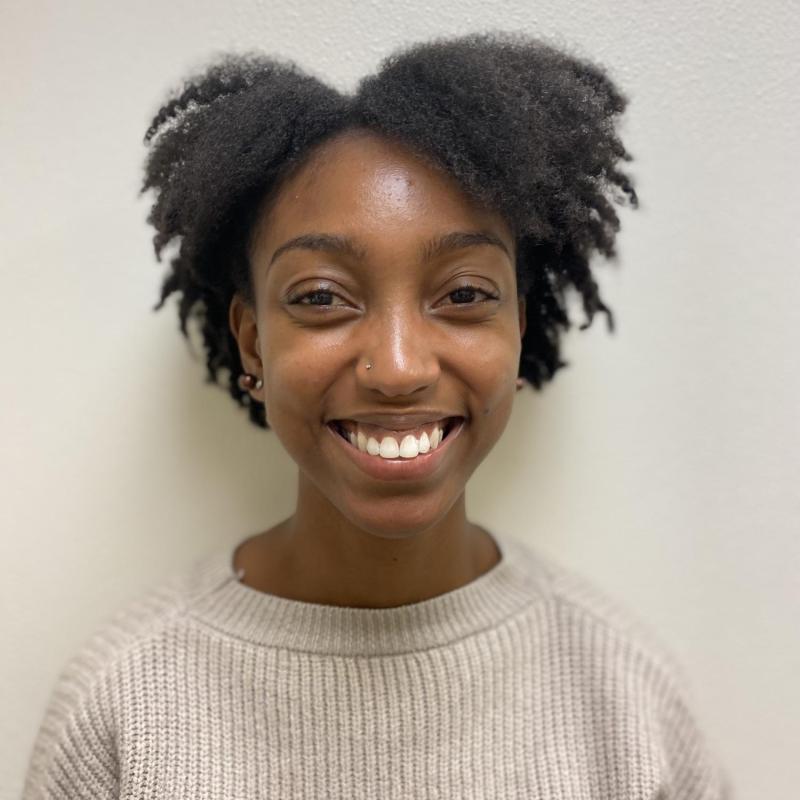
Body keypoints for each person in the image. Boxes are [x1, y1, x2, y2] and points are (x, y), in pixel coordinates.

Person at [21, 31, 732, 798]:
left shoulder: (625, 700)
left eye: (463, 296)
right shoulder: (123, 708)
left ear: (518, 328)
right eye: (322, 297)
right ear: (252, 339)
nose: (398, 368)